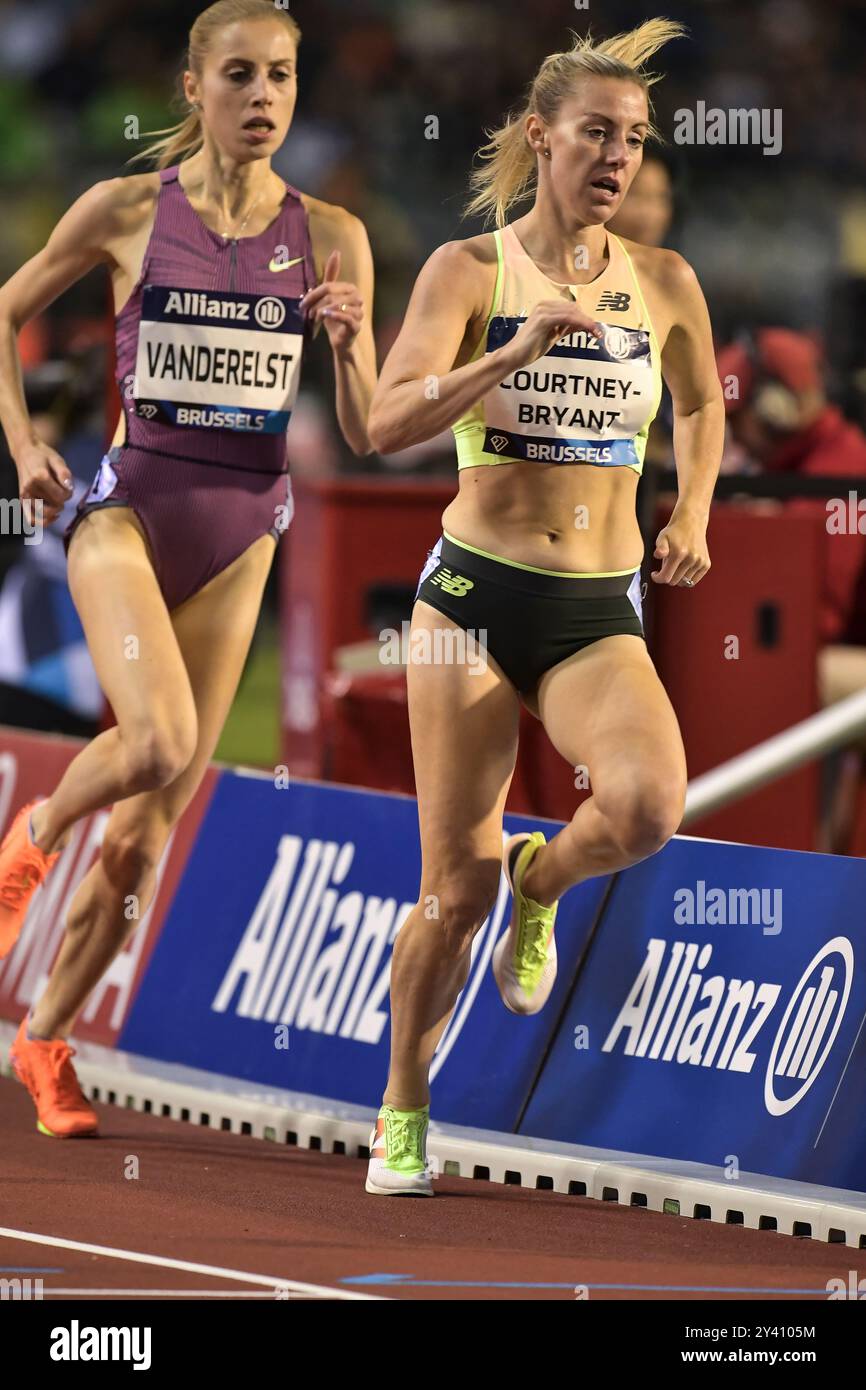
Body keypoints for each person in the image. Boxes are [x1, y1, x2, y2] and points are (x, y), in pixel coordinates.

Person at [0, 0, 376, 1137]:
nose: (263, 99)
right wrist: (24, 447)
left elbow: (361, 430)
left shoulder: (333, 233)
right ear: (192, 88)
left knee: (151, 833)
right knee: (154, 739)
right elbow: (5, 307)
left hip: (242, 527)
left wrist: (349, 344)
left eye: (281, 78)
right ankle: (29, 843)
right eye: (239, 77)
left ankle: (46, 1040)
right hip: (128, 507)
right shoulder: (125, 210)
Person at [365, 20, 722, 1196]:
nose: (616, 161)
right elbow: (386, 420)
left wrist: (691, 514)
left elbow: (698, 405)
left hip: (590, 609)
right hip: (469, 597)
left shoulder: (663, 280)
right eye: (595, 137)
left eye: (634, 142)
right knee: (447, 887)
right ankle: (402, 1112)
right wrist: (506, 357)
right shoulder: (469, 272)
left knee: (646, 804)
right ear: (540, 137)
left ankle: (542, 885)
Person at [716, 328, 866, 852]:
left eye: (737, 422)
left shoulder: (840, 467)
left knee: (766, 678)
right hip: (840, 654)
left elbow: (812, 618)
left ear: (779, 412)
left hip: (848, 662)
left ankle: (770, 856)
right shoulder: (792, 468)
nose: (731, 437)